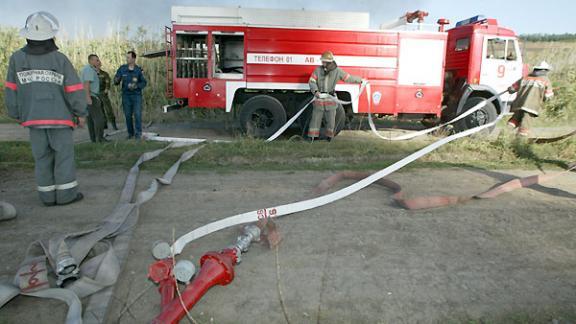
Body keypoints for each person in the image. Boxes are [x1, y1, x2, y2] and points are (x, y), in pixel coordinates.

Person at [4, 11, 86, 206]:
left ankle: (47, 197)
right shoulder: (60, 59)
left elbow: (11, 89)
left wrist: (16, 113)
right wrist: (80, 113)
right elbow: (74, 88)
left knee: (42, 158)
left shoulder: (17, 59)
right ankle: (66, 196)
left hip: (33, 118)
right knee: (64, 158)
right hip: (60, 118)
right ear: (50, 37)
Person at [308, 51, 364, 142]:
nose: (322, 63)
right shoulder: (318, 70)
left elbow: (348, 78)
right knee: (315, 119)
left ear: (329, 62)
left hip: (330, 99)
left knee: (331, 120)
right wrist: (316, 92)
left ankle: (329, 137)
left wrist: (360, 80)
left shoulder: (337, 71)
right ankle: (312, 137)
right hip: (319, 99)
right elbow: (312, 81)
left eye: (324, 61)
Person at [507, 61, 554, 137]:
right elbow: (549, 96)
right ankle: (519, 142)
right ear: (544, 70)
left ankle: (504, 134)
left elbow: (511, 89)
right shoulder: (545, 80)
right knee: (525, 124)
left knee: (514, 120)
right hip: (531, 106)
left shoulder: (525, 77)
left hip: (518, 104)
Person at [114, 51, 147, 139]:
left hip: (136, 95)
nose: (127, 59)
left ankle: (138, 134)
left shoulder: (138, 70)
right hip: (126, 95)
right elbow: (116, 80)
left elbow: (144, 82)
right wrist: (116, 80)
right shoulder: (122, 69)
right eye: (126, 57)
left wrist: (136, 86)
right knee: (128, 115)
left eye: (128, 57)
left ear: (133, 59)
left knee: (137, 114)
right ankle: (130, 134)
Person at [81, 54, 107, 143]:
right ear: (91, 61)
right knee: (99, 119)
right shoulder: (89, 70)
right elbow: (86, 84)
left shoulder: (89, 69)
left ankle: (94, 140)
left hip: (88, 96)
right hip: (91, 96)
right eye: (96, 60)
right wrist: (88, 98)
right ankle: (100, 139)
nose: (98, 61)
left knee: (91, 120)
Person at [97, 63, 118, 130]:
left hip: (103, 93)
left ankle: (113, 124)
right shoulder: (92, 74)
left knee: (108, 109)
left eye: (98, 65)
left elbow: (108, 82)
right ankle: (104, 124)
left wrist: (106, 89)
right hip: (96, 94)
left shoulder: (104, 74)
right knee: (100, 110)